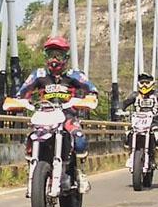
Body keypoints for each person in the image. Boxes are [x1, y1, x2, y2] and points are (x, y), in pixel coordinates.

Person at [15, 36, 98, 190]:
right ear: (45, 56)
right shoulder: (38, 74)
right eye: (51, 54)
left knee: (79, 137)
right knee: (31, 139)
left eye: (58, 55)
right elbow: (22, 92)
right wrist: (17, 101)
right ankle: (32, 171)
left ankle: (80, 172)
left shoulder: (74, 75)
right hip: (43, 116)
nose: (54, 59)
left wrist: (90, 98)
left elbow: (91, 89)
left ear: (65, 57)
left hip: (67, 116)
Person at [121, 72, 158, 168]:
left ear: (152, 83)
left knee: (157, 137)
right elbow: (124, 103)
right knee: (127, 135)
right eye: (142, 82)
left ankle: (156, 157)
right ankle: (130, 155)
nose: (144, 85)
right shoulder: (135, 95)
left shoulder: (157, 95)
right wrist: (119, 110)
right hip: (137, 122)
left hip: (152, 122)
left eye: (147, 82)